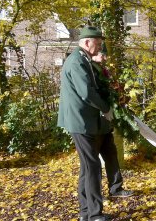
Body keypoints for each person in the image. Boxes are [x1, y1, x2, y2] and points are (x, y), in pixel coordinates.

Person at [57, 26, 131, 221]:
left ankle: (85, 213)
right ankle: (93, 214)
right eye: (97, 44)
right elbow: (87, 92)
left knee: (88, 168)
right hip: (80, 122)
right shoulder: (76, 62)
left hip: (87, 121)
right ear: (87, 42)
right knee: (92, 167)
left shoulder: (83, 59)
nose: (100, 47)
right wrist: (107, 108)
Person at [91, 48, 134, 200]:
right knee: (93, 161)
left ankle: (116, 188)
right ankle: (95, 195)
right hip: (94, 121)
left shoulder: (105, 71)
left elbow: (114, 90)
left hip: (106, 122)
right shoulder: (91, 70)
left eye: (105, 55)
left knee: (111, 154)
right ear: (95, 55)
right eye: (102, 55)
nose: (104, 58)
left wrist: (120, 99)